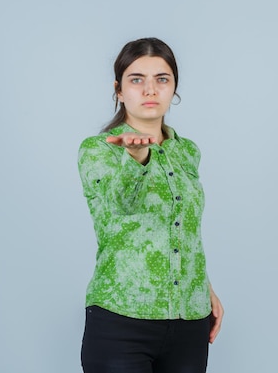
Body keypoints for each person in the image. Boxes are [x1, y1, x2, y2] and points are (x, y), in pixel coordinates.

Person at [77, 37, 223, 373]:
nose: (149, 90)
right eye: (136, 79)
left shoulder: (187, 152)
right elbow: (121, 205)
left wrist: (204, 287)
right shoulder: (97, 150)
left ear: (174, 88)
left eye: (162, 79)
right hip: (121, 320)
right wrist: (137, 158)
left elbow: (182, 228)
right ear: (119, 89)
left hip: (189, 322)